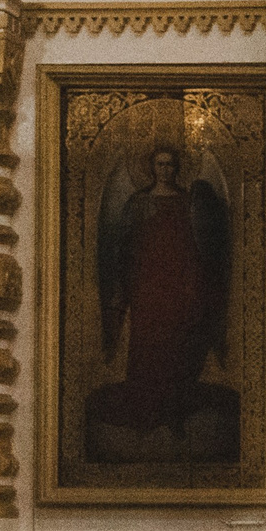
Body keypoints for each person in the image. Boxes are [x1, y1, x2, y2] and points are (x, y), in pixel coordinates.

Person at [96, 144, 231, 438]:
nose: (165, 170)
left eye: (170, 165)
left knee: (176, 349)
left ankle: (172, 413)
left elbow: (197, 247)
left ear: (178, 168)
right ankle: (145, 412)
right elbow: (125, 246)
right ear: (151, 167)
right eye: (160, 164)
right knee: (146, 345)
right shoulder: (138, 202)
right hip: (147, 287)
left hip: (178, 285)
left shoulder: (187, 202)